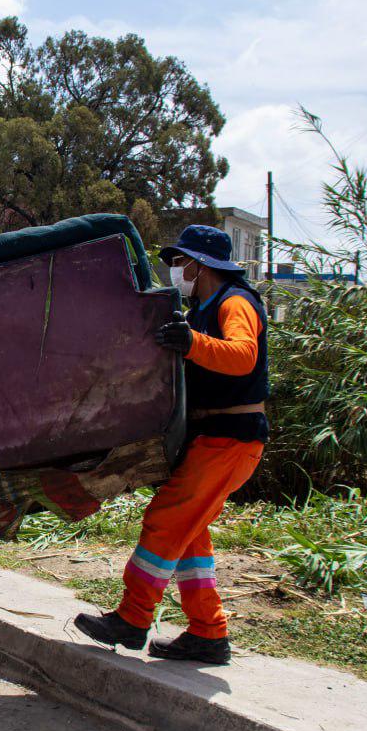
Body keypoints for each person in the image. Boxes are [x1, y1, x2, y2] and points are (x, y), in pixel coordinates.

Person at [74, 225, 268, 665]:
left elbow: (243, 356)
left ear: (201, 265)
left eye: (181, 262)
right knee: (190, 535)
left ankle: (133, 618)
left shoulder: (235, 301)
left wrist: (192, 343)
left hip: (230, 438)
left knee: (164, 521)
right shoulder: (203, 306)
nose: (176, 269)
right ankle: (208, 633)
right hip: (216, 439)